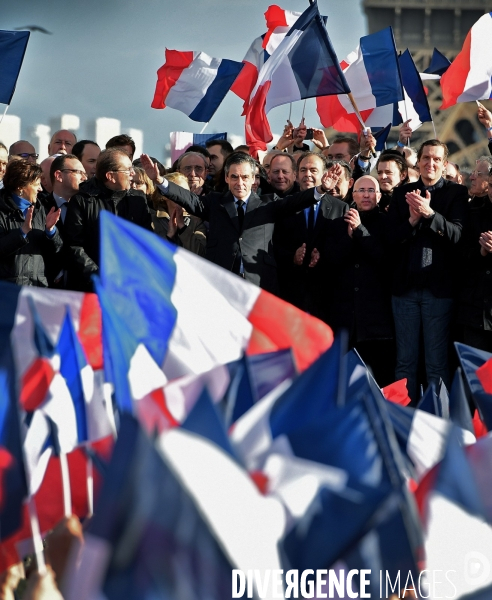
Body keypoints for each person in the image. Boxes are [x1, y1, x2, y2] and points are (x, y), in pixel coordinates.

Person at [141, 152, 342, 294]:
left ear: (254, 179)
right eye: (235, 177)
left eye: (245, 177)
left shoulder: (268, 203)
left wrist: (321, 189)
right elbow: (190, 200)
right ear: (227, 178)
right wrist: (160, 181)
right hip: (221, 284)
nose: (240, 182)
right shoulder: (214, 202)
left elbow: (296, 201)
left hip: (259, 284)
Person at [387, 139, 468, 402]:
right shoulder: (402, 193)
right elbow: (389, 240)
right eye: (425, 158)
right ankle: (401, 422)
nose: (430, 163)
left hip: (438, 291)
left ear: (444, 164)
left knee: (436, 364)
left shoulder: (455, 194)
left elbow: (458, 235)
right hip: (405, 290)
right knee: (404, 364)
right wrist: (412, 219)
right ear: (418, 162)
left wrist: (430, 214)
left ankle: (437, 424)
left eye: (436, 159)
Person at [326, 176, 394, 385]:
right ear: (352, 195)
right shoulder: (338, 225)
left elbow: (385, 261)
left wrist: (360, 231)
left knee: (378, 382)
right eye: (361, 190)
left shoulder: (388, 224)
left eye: (371, 190)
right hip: (344, 319)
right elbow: (331, 263)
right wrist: (348, 238)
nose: (366, 195)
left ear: (379, 196)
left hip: (376, 321)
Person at [64, 148, 151, 291]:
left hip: (130, 286)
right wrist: (99, 276)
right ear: (111, 176)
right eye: (128, 170)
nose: (132, 174)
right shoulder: (82, 201)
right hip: (92, 286)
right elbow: (74, 246)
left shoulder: (138, 200)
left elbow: (145, 239)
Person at [273, 153, 347, 315]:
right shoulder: (282, 205)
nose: (308, 174)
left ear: (323, 174)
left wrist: (323, 256)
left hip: (326, 293)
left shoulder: (339, 208)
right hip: (290, 292)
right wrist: (292, 256)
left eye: (313, 170)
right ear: (296, 175)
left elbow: (343, 248)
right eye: (303, 170)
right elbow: (273, 244)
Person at [0, 160, 62, 286]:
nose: (40, 189)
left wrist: (50, 231)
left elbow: (56, 250)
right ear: (20, 187)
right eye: (36, 184)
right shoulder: (2, 210)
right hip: (8, 290)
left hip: (38, 287)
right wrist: (21, 233)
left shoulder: (40, 210)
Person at [457, 168, 492, 352]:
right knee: (476, 377)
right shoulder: (473, 212)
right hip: (474, 312)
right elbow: (460, 254)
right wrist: (481, 252)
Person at [43, 154, 87, 287]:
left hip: (82, 284)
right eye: (79, 172)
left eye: (85, 173)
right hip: (49, 285)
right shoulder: (40, 207)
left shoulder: (89, 207)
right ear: (59, 175)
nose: (84, 178)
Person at [151, 172, 206, 256]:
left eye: (186, 193)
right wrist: (169, 236)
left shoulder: (196, 220)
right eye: (179, 193)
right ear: (165, 196)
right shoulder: (152, 220)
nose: (184, 198)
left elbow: (201, 253)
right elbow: (152, 254)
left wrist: (183, 228)